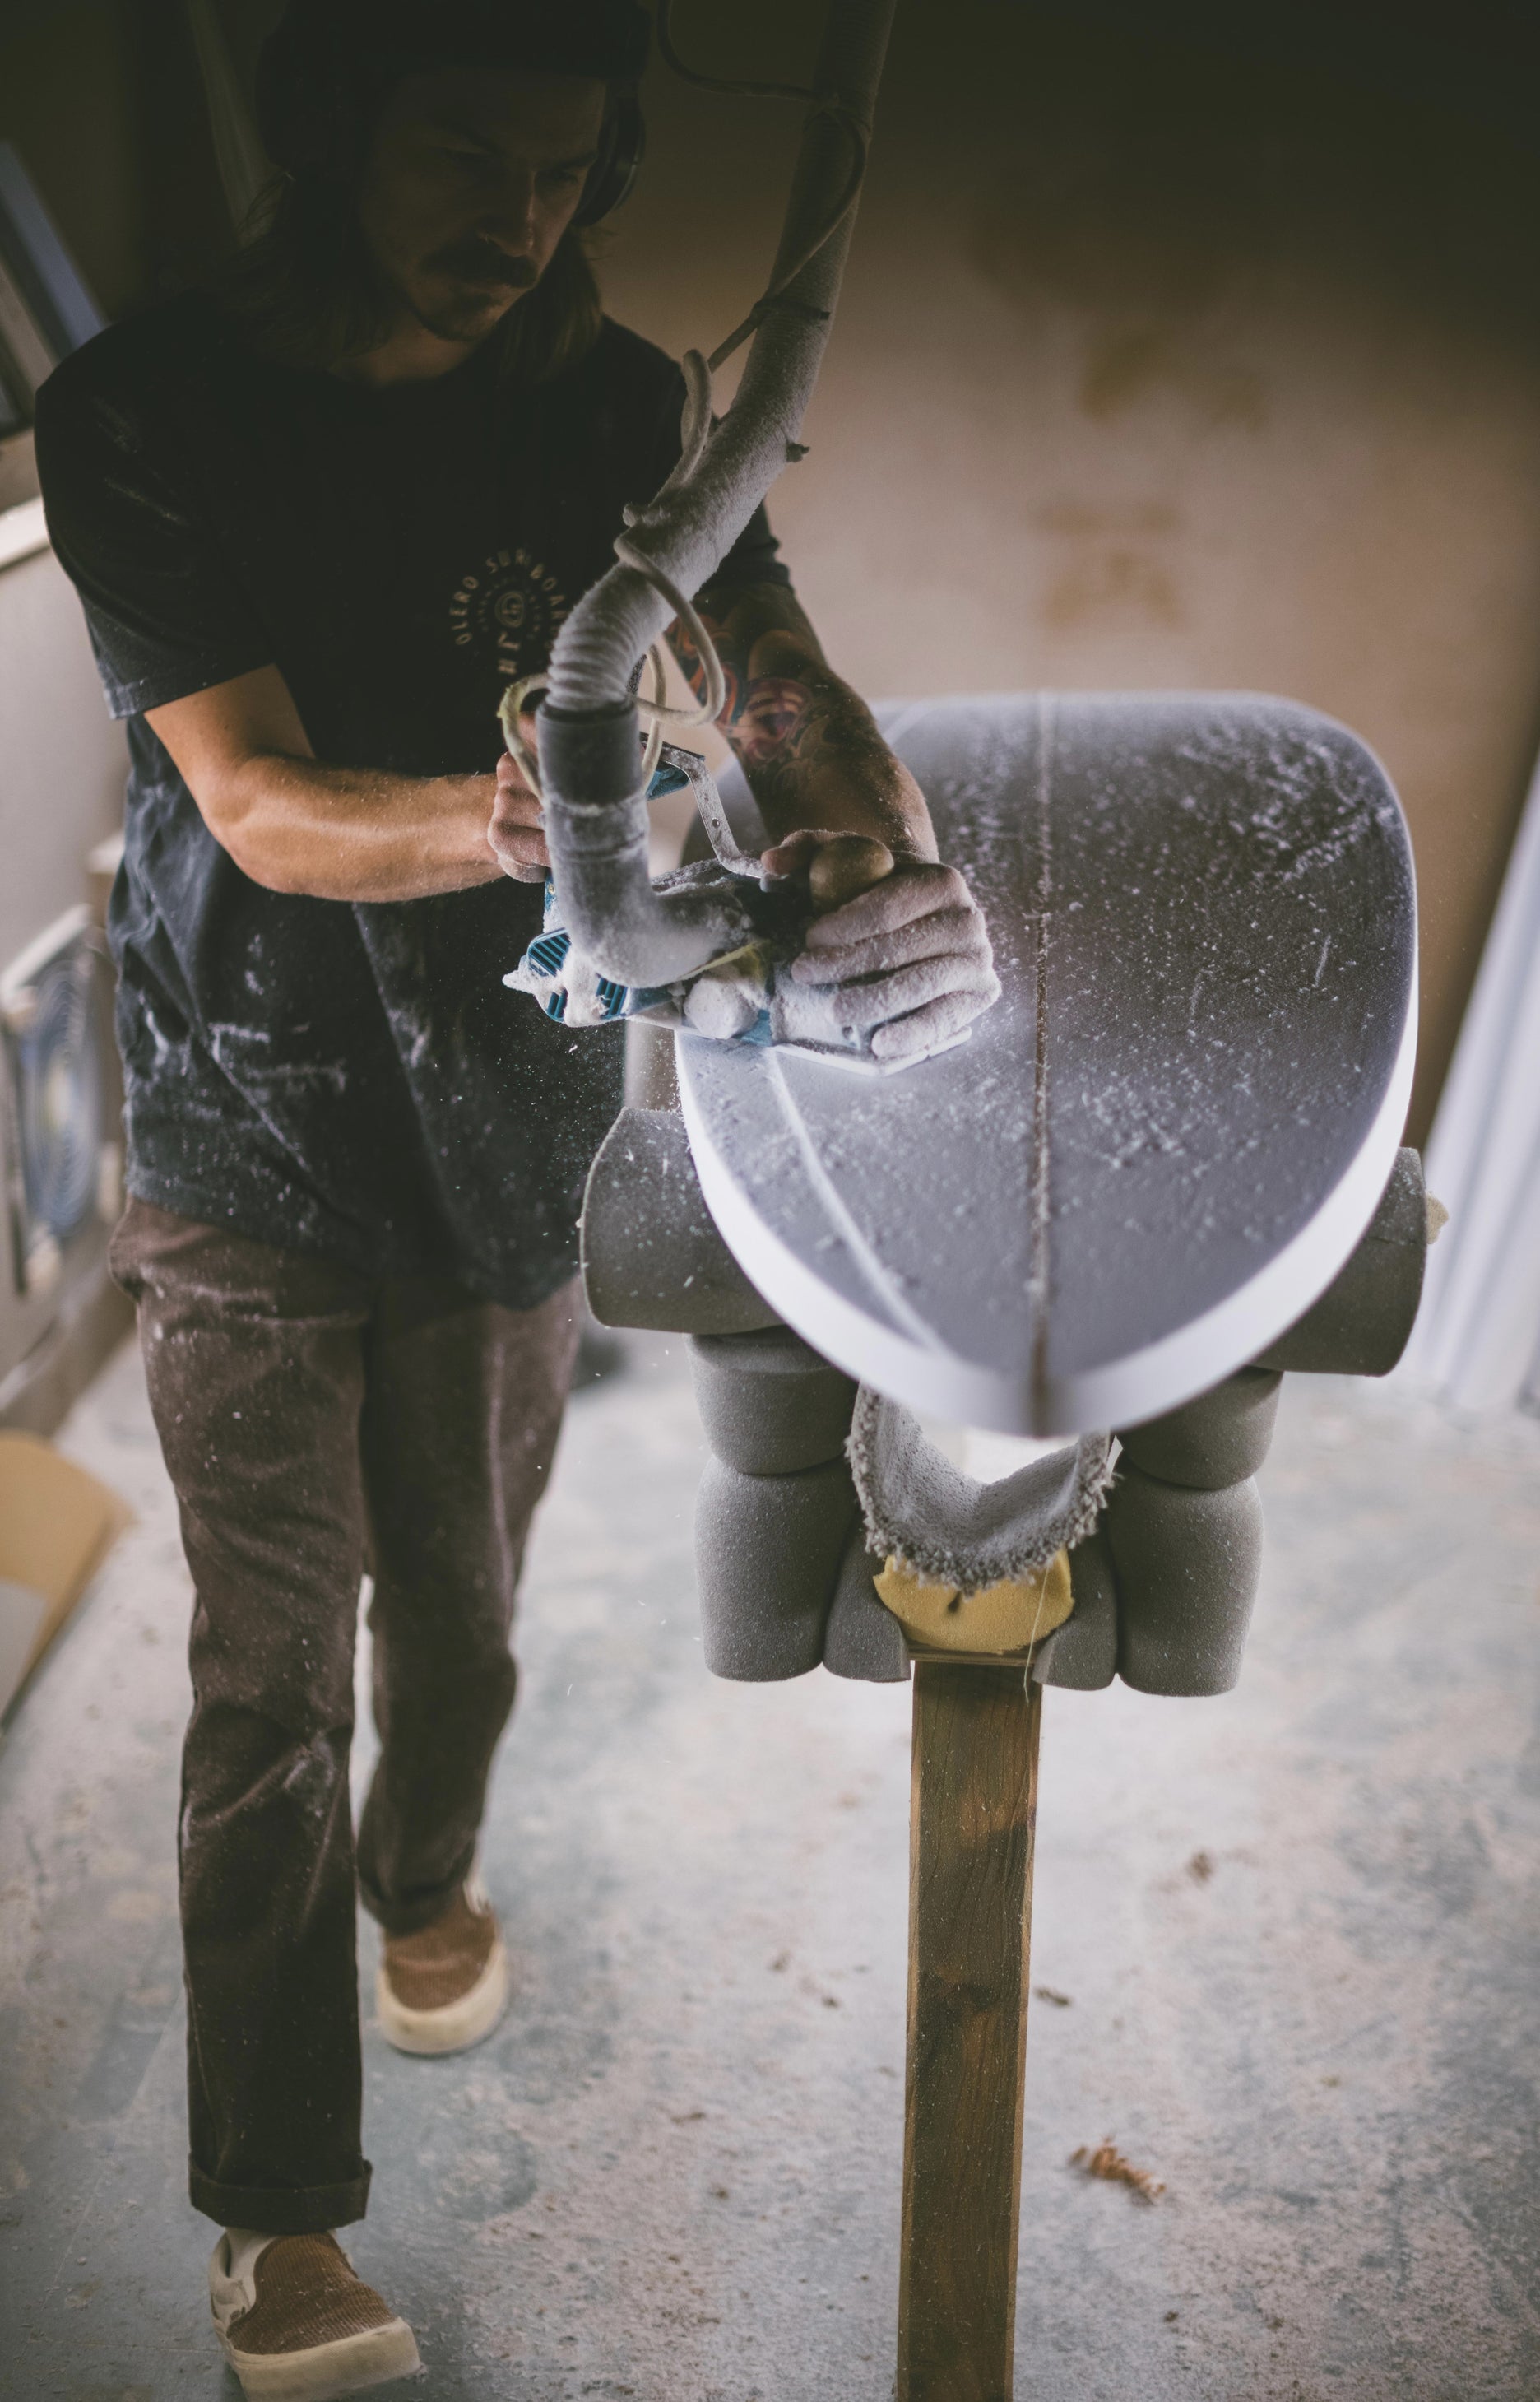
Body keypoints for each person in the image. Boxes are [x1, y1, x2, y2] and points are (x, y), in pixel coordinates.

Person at [34, 2, 997, 2392]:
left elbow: (768, 662)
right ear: (335, 131)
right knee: (270, 1682)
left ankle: (430, 1877)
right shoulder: (148, 411)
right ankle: (278, 2216)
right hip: (252, 1108)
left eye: (567, 166)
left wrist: (858, 823)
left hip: (511, 1106)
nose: (522, 217)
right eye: (466, 151)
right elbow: (254, 804)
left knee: (461, 1617)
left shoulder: (619, 406)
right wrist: (526, 823)